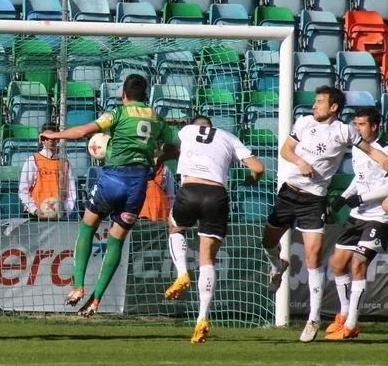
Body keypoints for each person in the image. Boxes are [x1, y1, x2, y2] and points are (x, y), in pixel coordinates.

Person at [40, 74, 179, 316]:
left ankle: (78, 286)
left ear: (124, 95)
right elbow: (176, 146)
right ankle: (96, 300)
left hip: (113, 180)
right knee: (116, 240)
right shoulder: (157, 119)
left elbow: (84, 131)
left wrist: (54, 136)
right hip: (137, 188)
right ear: (145, 97)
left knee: (87, 228)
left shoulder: (118, 113)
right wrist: (159, 157)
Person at [262, 86, 388, 342]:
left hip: (315, 200)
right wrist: (300, 162)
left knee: (315, 256)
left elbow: (370, 150)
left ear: (333, 107)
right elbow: (286, 150)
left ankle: (314, 318)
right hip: (288, 193)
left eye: (320, 101)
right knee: (268, 242)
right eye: (315, 100)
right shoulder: (303, 122)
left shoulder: (344, 131)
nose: (315, 105)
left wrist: (383, 160)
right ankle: (278, 265)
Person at [163, 116, 264, 343]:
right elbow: (258, 167)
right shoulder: (228, 137)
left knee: (175, 228)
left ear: (194, 125)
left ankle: (181, 273)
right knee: (207, 258)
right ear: (211, 126)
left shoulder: (186, 132)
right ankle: (202, 318)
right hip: (216, 195)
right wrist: (252, 179)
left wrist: (160, 158)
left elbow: (168, 148)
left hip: (189, 189)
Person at [325, 107, 388, 341]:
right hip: (357, 215)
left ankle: (352, 324)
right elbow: (360, 178)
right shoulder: (358, 148)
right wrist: (343, 198)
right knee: (337, 264)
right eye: (355, 124)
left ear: (374, 126)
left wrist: (361, 198)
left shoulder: (385, 151)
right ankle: (342, 314)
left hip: (379, 217)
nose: (357, 128)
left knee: (358, 263)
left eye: (362, 124)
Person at [18, 123, 77, 220]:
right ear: (42, 139)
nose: (50, 140)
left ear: (58, 138)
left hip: (59, 216)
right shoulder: (33, 160)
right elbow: (23, 190)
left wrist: (65, 210)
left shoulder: (65, 163)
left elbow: (71, 192)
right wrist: (35, 210)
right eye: (47, 137)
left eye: (53, 137)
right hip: (35, 215)